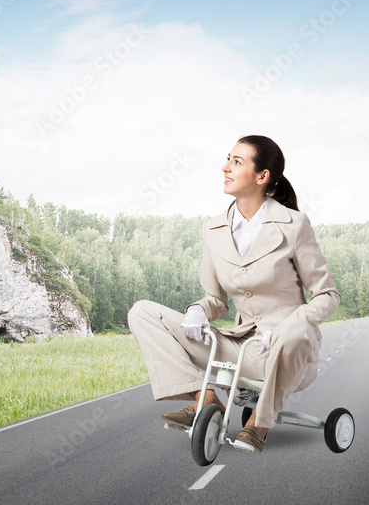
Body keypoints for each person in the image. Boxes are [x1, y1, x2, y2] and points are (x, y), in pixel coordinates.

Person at [127, 135, 340, 453]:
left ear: (262, 176)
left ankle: (259, 424)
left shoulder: (293, 225)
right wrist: (199, 310)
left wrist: (290, 325)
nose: (225, 167)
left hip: (286, 352)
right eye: (228, 158)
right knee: (142, 312)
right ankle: (204, 399)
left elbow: (327, 294)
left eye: (237, 162)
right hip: (240, 346)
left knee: (295, 328)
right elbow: (215, 299)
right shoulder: (212, 229)